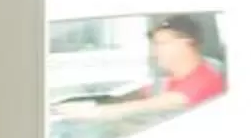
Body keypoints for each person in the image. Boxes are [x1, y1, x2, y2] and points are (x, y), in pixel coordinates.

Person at [63, 16, 227, 116]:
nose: (154, 52)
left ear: (186, 44)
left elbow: (157, 104)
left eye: (161, 44)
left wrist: (91, 112)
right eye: (154, 45)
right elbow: (140, 95)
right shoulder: (169, 79)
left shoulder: (205, 79)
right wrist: (101, 101)